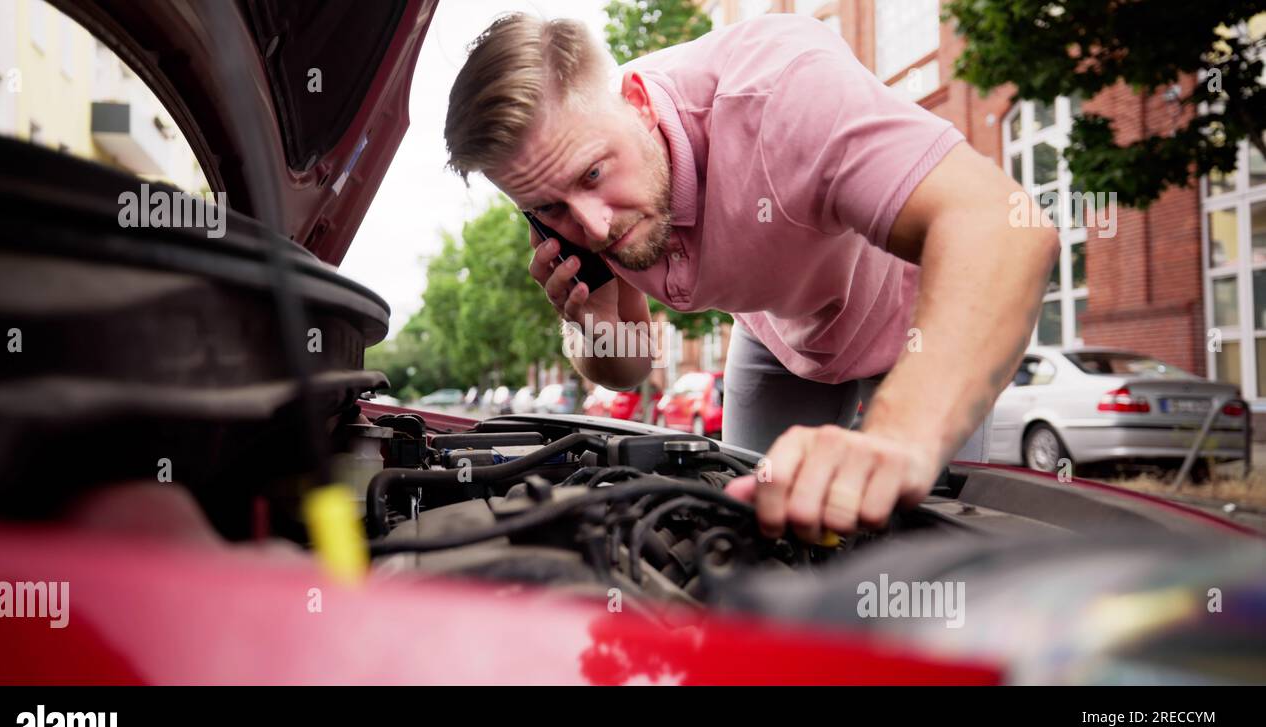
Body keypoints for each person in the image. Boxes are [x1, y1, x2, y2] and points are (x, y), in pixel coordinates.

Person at [443, 13, 1059, 543]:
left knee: (931, 540)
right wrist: (592, 326)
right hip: (774, 336)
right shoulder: (571, 189)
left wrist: (898, 439)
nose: (593, 226)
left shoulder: (783, 91)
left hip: (911, 326)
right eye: (549, 208)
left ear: (636, 100)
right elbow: (628, 368)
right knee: (755, 529)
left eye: (594, 175)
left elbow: (1005, 227)